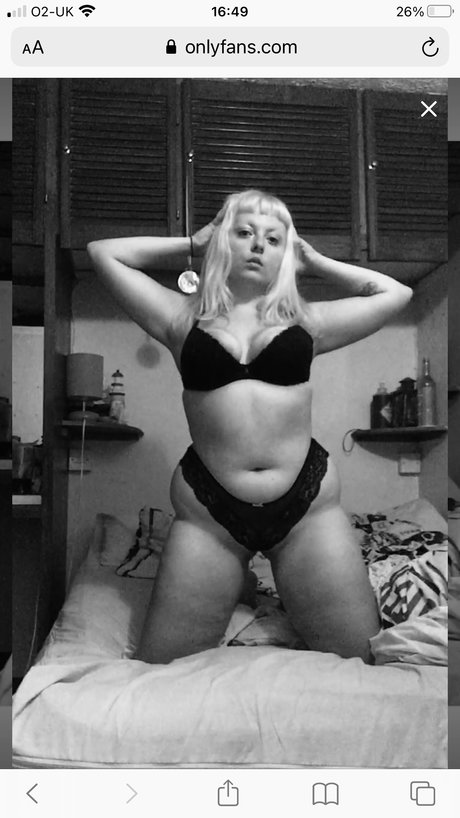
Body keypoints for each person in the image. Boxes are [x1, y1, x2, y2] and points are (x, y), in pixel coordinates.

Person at [87, 189, 412, 665]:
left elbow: (395, 294)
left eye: (273, 239)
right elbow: (103, 253)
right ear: (223, 241)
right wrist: (192, 243)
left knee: (360, 659)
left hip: (306, 509)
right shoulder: (180, 318)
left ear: (286, 253)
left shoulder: (308, 321)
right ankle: (240, 582)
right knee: (163, 669)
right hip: (209, 515)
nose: (259, 244)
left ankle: (247, 585)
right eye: (244, 232)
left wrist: (315, 261)